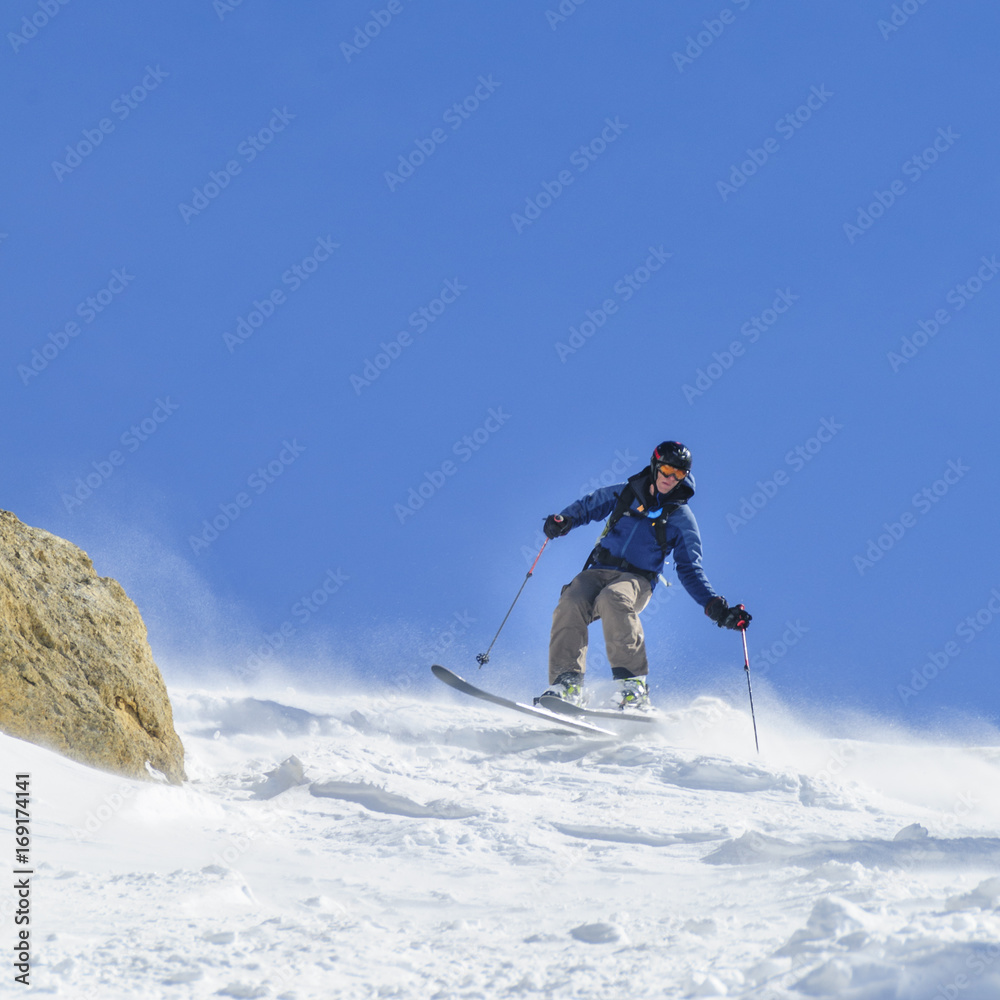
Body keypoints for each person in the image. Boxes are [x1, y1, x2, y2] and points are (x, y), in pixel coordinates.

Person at [536, 441, 750, 711]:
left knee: (613, 598)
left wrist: (715, 606)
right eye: (667, 470)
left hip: (637, 580)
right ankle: (567, 684)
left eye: (679, 474)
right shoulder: (626, 494)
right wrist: (564, 520)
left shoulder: (681, 517)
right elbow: (590, 505)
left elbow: (689, 567)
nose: (670, 479)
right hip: (599, 569)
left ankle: (632, 687)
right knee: (571, 600)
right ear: (655, 466)